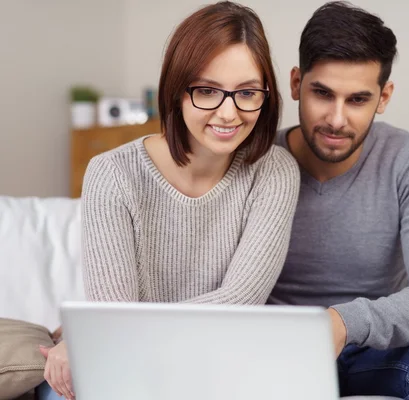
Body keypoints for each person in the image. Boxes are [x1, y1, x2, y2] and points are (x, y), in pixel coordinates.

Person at [37, 2, 300, 399]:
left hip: (215, 363)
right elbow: (116, 322)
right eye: (207, 91)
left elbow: (241, 301)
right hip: (125, 364)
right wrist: (93, 332)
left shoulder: (274, 170)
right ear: (176, 92)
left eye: (247, 93)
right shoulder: (112, 173)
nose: (229, 113)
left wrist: (86, 331)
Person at [267, 2, 409, 399]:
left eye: (357, 100)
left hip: (376, 353)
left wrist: (342, 323)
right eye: (322, 93)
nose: (336, 119)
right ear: (296, 83)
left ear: (383, 97)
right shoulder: (255, 160)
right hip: (281, 352)